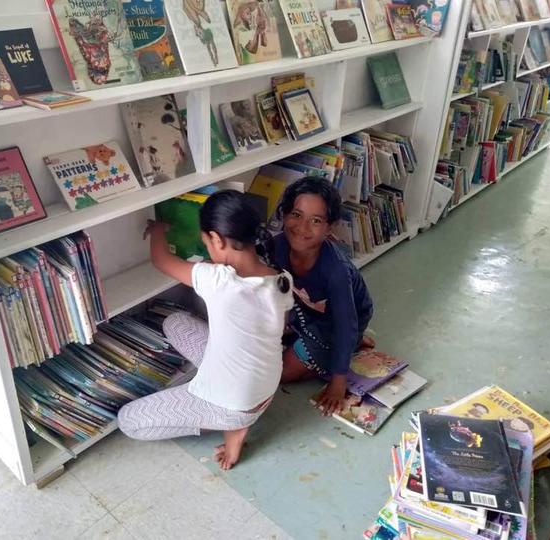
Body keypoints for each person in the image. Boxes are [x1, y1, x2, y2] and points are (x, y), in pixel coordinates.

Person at [118, 190, 293, 470]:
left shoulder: (216, 279)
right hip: (265, 388)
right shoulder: (281, 278)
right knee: (174, 323)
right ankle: (233, 412)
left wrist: (157, 230)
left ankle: (227, 424)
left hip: (234, 404)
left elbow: (161, 261)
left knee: (128, 421)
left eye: (206, 242)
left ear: (217, 239)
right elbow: (277, 330)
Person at [271, 176, 374, 416]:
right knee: (268, 353)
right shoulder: (277, 247)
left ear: (330, 228)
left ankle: (350, 345)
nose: (302, 227)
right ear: (284, 214)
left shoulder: (336, 269)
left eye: (315, 220)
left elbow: (344, 324)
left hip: (340, 321)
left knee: (280, 375)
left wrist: (338, 382)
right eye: (296, 215)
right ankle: (341, 349)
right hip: (305, 311)